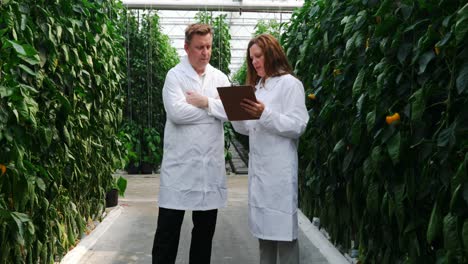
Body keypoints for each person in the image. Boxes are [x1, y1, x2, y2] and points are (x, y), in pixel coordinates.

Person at [152, 23, 230, 264]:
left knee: (204, 235)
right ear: (187, 48)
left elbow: (230, 111)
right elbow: (176, 113)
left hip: (208, 169)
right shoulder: (174, 76)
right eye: (199, 47)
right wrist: (214, 108)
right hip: (180, 168)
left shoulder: (219, 77)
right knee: (167, 232)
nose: (205, 52)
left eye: (208, 47)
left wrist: (204, 102)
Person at [231, 34, 309, 263]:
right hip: (260, 173)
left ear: (272, 54)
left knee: (284, 238)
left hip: (279, 173)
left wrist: (264, 113)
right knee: (264, 238)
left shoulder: (290, 84)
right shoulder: (258, 87)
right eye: (251, 58)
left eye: (258, 56)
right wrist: (235, 114)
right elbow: (250, 129)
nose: (254, 62)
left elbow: (297, 125)